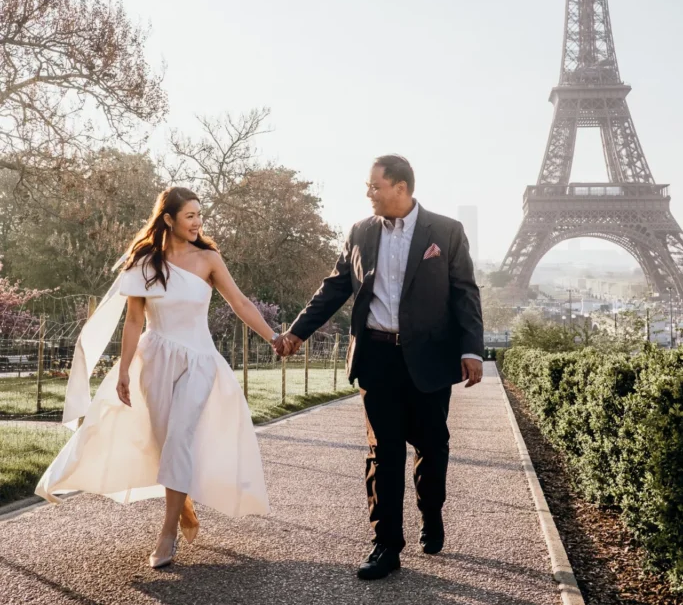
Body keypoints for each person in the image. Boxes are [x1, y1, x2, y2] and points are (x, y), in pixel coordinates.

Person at [36, 186, 281, 568]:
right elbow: (134, 320)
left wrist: (274, 337)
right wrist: (123, 371)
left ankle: (166, 535)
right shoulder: (143, 262)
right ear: (168, 219)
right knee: (162, 440)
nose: (198, 222)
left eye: (200, 215)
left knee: (180, 434)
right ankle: (182, 502)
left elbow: (240, 303)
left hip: (199, 360)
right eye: (190, 216)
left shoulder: (209, 259)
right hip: (154, 359)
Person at [276, 155, 484, 580]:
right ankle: (386, 544)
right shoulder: (360, 232)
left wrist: (472, 350)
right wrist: (299, 331)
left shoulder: (445, 231)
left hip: (427, 358)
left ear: (400, 188)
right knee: (382, 453)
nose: (368, 193)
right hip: (377, 357)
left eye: (374, 186)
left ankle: (431, 512)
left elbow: (464, 292)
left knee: (432, 447)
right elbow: (334, 287)